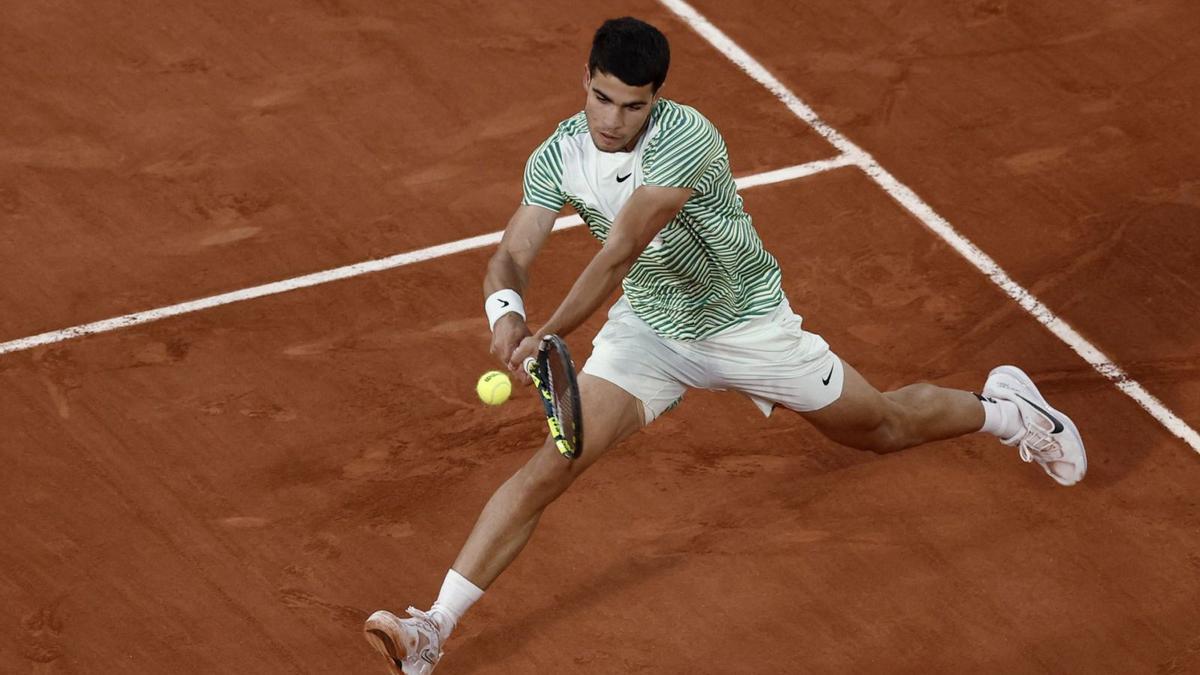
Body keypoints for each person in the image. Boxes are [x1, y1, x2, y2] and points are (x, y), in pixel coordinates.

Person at [362, 16, 1087, 674]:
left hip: (746, 326)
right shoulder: (558, 154)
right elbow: (513, 251)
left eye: (633, 105)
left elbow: (620, 249)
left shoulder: (685, 137)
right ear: (585, 80)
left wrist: (548, 333)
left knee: (880, 427)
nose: (614, 120)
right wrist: (505, 313)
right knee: (557, 459)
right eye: (603, 98)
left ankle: (1008, 411)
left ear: (657, 100)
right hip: (649, 331)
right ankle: (432, 625)